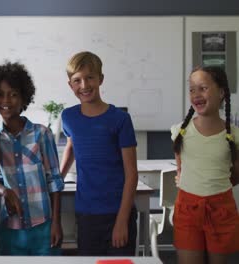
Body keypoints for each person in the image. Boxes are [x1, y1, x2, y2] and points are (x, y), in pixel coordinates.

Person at [59, 51, 138, 256]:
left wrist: (122, 222)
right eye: (77, 80)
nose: (84, 85)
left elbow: (132, 174)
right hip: (87, 214)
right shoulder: (68, 117)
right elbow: (72, 146)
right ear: (71, 85)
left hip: (118, 212)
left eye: (90, 78)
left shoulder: (120, 119)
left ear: (100, 79)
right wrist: (58, 179)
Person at [0, 61, 64, 255]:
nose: (7, 100)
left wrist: (56, 223)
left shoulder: (42, 134)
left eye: (13, 94)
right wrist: (4, 191)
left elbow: (54, 181)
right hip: (10, 229)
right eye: (0, 94)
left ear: (24, 98)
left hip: (43, 227)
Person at [171, 66, 239, 264]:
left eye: (203, 88)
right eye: (192, 89)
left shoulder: (234, 135)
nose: (196, 94)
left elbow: (236, 175)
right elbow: (180, 171)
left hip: (221, 209)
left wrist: (213, 187)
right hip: (187, 209)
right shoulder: (179, 132)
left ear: (221, 92)